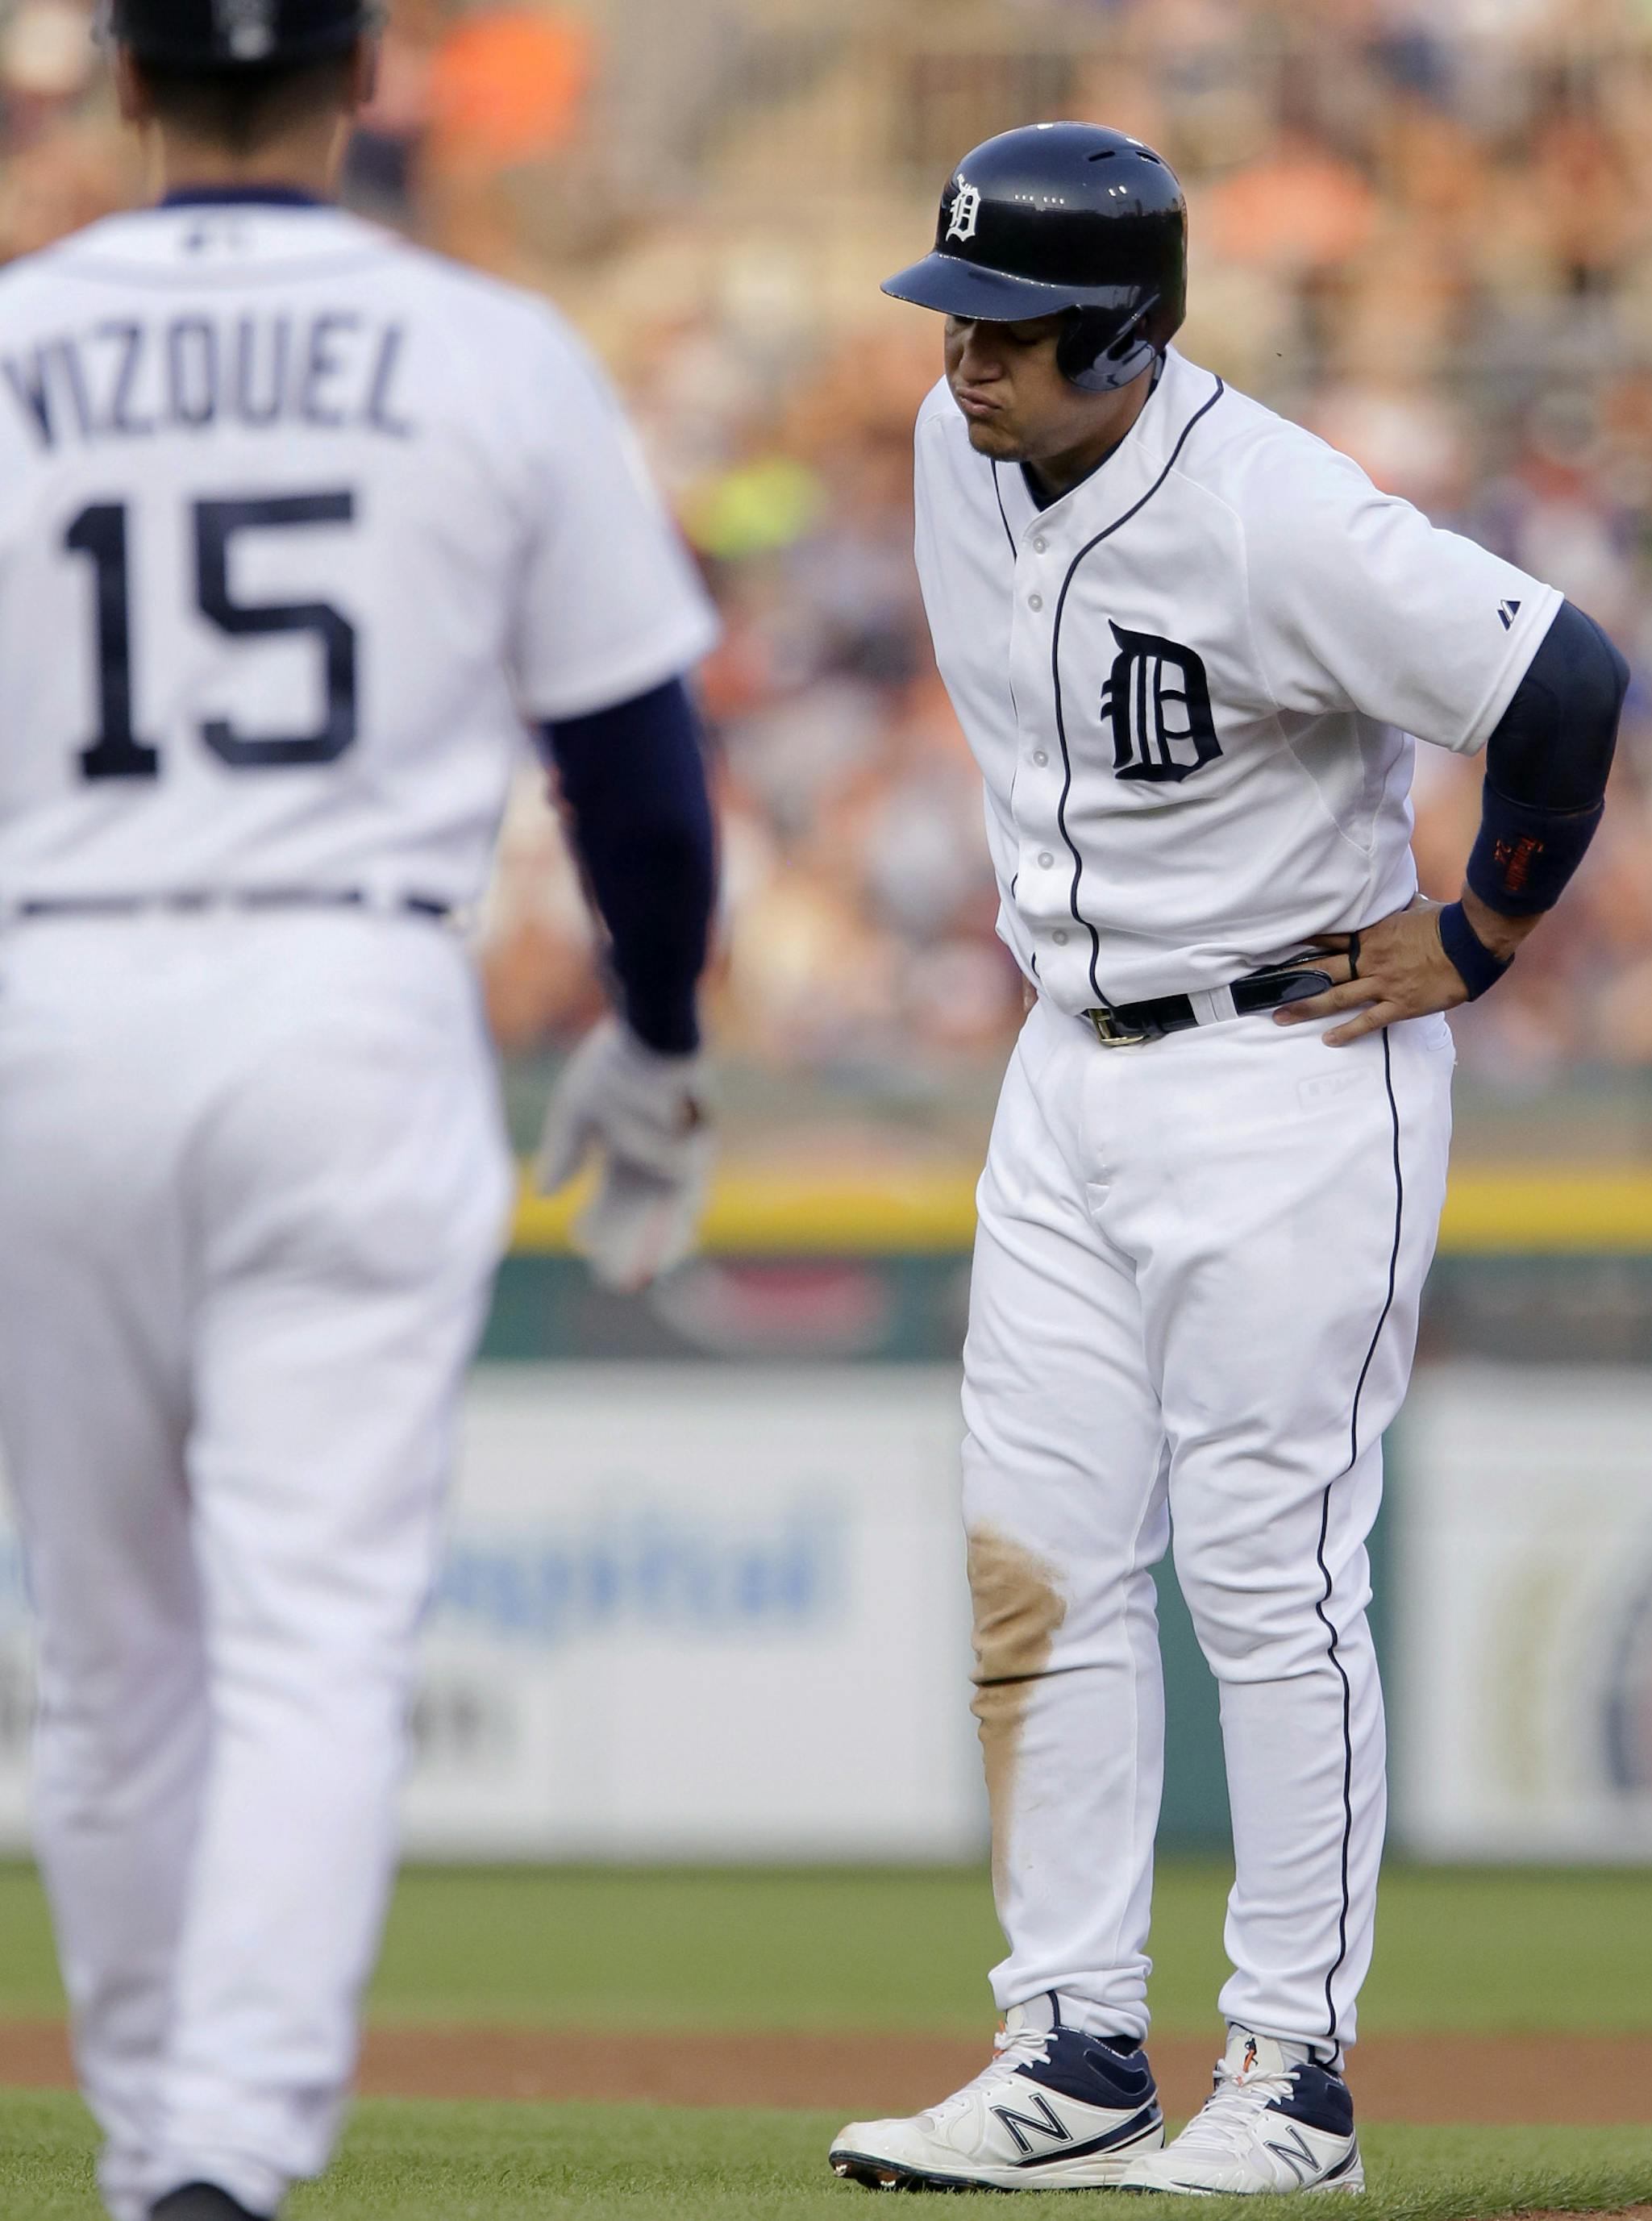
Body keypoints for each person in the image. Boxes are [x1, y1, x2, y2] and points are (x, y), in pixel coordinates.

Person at [830, 122, 1627, 2197]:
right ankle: (1074, 2042)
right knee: (1039, 1557)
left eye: (1007, 327)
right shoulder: (955, 454)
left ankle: (1294, 2074)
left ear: (1124, 328)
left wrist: (1482, 932)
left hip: (1287, 1061)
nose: (964, 361)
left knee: (1273, 1579)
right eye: (956, 315)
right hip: (1066, 1062)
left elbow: (1564, 678)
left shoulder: (1278, 512)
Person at [0, 0, 718, 2213]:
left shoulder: (11, 340)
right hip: (347, 989)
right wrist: (660, 1034)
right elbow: (637, 770)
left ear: (121, 81)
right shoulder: (486, 353)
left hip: (48, 1000)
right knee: (314, 1632)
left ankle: (151, 2147)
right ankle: (217, 2159)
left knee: (109, 1657)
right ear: (365, 78)